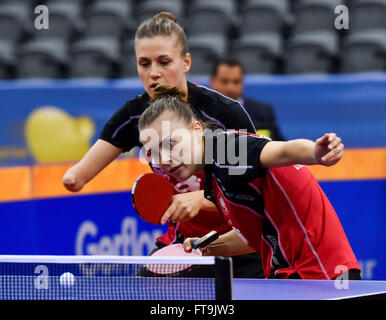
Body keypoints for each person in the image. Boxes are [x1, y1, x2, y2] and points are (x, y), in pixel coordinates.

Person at [62, 12, 265, 278]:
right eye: (144, 64)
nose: (153, 73)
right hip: (185, 246)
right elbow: (77, 177)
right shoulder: (134, 116)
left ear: (186, 62)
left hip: (240, 243)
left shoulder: (223, 115)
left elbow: (253, 197)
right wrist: (73, 178)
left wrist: (200, 199)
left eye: (164, 62)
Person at [137, 85, 361, 280]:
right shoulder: (214, 177)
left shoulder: (225, 149)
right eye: (153, 152)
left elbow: (281, 151)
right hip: (288, 274)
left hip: (321, 274)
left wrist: (314, 152)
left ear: (196, 130)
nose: (164, 159)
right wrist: (205, 248)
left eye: (170, 143)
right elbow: (251, 238)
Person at [210, 57, 285, 141]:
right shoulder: (197, 112)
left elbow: (278, 145)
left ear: (243, 82)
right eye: (224, 81)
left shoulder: (263, 112)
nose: (230, 87)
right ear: (212, 81)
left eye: (236, 82)